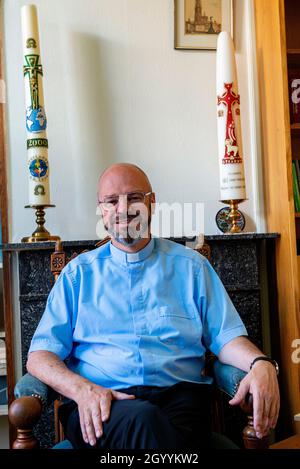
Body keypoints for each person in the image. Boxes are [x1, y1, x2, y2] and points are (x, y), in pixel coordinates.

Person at [26, 163, 280, 449]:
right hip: (101, 406)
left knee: (153, 426)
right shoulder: (77, 275)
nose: (124, 208)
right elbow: (39, 356)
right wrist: (81, 390)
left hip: (180, 402)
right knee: (145, 422)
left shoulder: (192, 268)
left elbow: (227, 337)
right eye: (112, 201)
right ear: (102, 210)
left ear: (152, 203)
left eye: (134, 197)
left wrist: (261, 363)